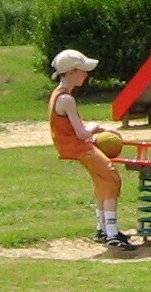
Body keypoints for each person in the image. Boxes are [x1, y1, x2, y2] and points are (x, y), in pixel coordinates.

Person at [47, 47, 127, 246]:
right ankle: (112, 234)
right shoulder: (66, 99)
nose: (86, 75)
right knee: (111, 178)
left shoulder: (59, 95)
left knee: (102, 180)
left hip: (74, 145)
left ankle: (103, 229)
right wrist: (94, 126)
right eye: (82, 71)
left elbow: (75, 126)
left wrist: (99, 128)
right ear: (71, 72)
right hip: (78, 147)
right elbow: (82, 133)